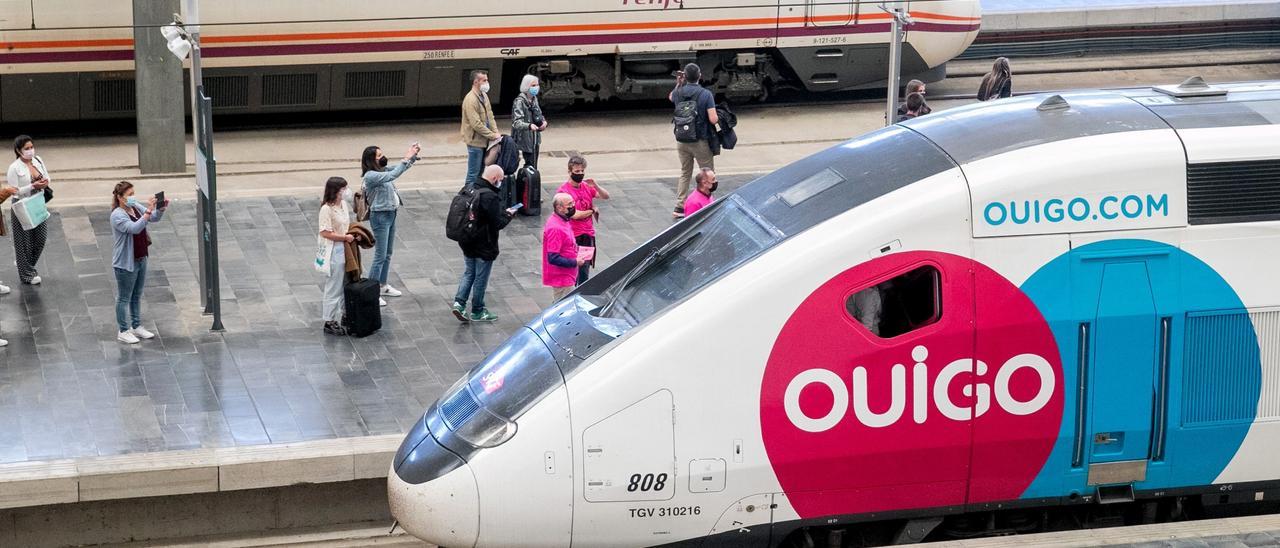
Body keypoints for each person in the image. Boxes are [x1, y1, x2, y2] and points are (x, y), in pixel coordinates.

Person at [452, 165, 515, 323]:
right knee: (480, 278)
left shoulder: (469, 187)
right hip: (484, 244)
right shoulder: (490, 197)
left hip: (467, 240)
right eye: (500, 180)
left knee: (469, 273)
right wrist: (508, 215)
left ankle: (459, 303)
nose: (500, 183)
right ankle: (477, 310)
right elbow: (497, 223)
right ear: (495, 179)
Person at [361, 143, 420, 306]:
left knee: (388, 253)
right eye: (379, 156)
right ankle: (372, 292)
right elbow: (393, 175)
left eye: (381, 154)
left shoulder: (381, 170)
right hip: (380, 217)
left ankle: (382, 285)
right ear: (371, 160)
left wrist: (412, 156)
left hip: (391, 213)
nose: (382, 157)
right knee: (380, 256)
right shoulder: (371, 176)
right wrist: (406, 158)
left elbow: (398, 169)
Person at [110, 181, 166, 345]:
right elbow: (134, 228)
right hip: (125, 262)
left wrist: (159, 209)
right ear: (120, 197)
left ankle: (136, 325)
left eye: (133, 194)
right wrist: (148, 210)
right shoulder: (117, 215)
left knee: (137, 294)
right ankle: (123, 330)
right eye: (129, 195)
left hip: (141, 257)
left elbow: (153, 217)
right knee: (124, 297)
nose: (133, 197)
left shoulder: (135, 207)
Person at [668, 62, 718, 218]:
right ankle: (708, 203)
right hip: (700, 140)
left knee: (685, 172)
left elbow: (670, 97)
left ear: (685, 77)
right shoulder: (705, 94)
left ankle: (679, 207)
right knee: (708, 173)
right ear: (700, 76)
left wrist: (679, 84)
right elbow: (713, 119)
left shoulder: (678, 92)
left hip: (682, 140)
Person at [557, 155, 609, 284]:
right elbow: (574, 214)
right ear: (569, 172)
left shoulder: (586, 186)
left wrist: (595, 185)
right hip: (573, 237)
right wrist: (592, 211)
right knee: (574, 269)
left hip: (587, 236)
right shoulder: (564, 191)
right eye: (577, 171)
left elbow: (606, 196)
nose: (580, 174)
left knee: (584, 269)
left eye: (582, 171)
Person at [7, 135, 51, 286]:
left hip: (38, 202)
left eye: (31, 147)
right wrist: (33, 186)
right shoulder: (14, 168)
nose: (30, 151)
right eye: (27, 148)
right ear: (19, 151)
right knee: (23, 241)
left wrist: (44, 183)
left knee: (40, 238)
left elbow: (47, 177)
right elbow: (14, 191)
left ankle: (24, 265)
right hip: (22, 205)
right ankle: (26, 274)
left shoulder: (38, 160)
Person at [317, 176, 355, 336]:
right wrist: (344, 238)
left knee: (346, 281)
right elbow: (325, 232)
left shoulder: (343, 205)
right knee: (334, 286)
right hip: (334, 250)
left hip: (345, 248)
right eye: (344, 189)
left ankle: (345, 313)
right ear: (336, 191)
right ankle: (329, 320)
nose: (347, 191)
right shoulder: (326, 209)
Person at [461, 69, 500, 189]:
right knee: (473, 173)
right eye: (484, 80)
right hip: (475, 142)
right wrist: (493, 135)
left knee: (480, 172)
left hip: (483, 141)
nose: (487, 83)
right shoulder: (470, 99)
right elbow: (476, 124)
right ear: (476, 82)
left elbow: (490, 115)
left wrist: (495, 131)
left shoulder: (484, 96)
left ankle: (475, 194)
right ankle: (467, 195)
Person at [542, 193, 584, 302]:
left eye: (573, 202)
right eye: (569, 204)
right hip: (562, 278)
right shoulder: (555, 228)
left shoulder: (564, 220)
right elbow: (553, 257)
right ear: (559, 207)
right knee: (564, 308)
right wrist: (575, 262)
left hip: (568, 275)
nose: (573, 206)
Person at [511, 74, 546, 169]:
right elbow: (516, 122)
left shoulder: (534, 100)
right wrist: (529, 126)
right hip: (525, 139)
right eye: (533, 85)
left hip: (535, 138)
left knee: (534, 163)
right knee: (530, 163)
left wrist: (543, 122)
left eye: (537, 85)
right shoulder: (519, 101)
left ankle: (532, 180)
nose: (536, 87)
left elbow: (538, 114)